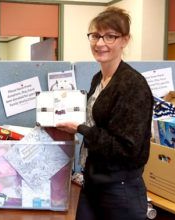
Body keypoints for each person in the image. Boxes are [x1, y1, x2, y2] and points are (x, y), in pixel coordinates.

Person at [55, 7, 153, 220]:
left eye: (110, 36)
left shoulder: (132, 85)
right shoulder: (98, 79)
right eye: (96, 36)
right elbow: (100, 126)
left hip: (120, 188)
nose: (100, 43)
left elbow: (127, 149)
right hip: (93, 181)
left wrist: (80, 129)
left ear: (125, 40)